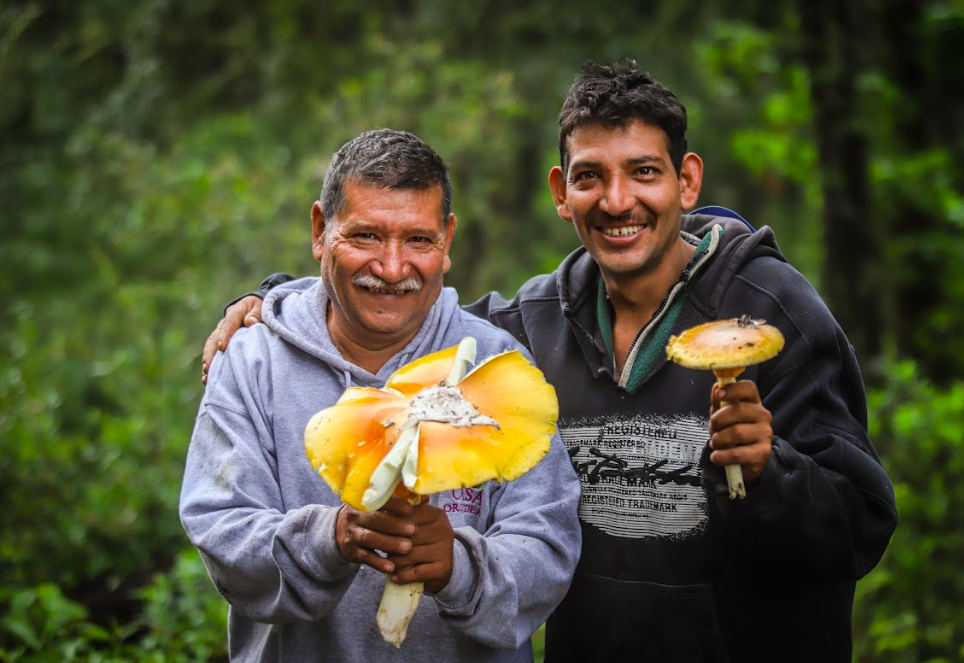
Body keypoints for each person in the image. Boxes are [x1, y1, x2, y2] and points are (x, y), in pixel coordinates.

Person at [202, 62, 898, 662]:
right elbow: (399, 300)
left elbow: (862, 525)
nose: (617, 200)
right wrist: (271, 303)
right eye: (591, 177)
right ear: (562, 192)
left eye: (643, 172)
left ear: (686, 181)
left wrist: (771, 472)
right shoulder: (531, 326)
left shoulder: (772, 315)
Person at [181, 128, 582, 663]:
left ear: (447, 241)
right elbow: (221, 527)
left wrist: (458, 568)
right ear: (321, 231)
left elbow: (548, 543)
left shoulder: (491, 364)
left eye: (418, 240)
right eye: (366, 236)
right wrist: (332, 538)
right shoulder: (253, 362)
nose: (392, 268)